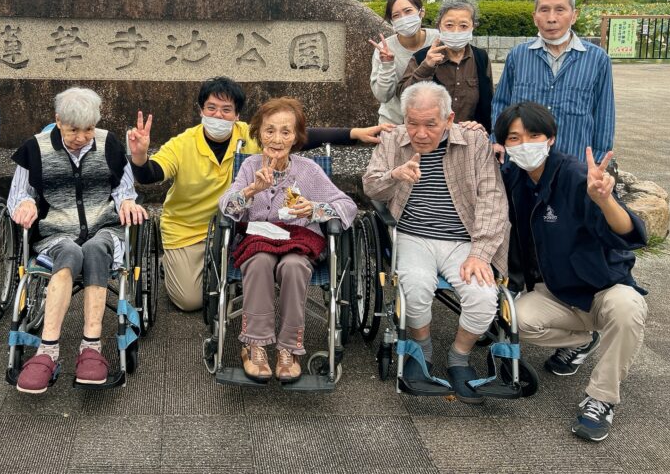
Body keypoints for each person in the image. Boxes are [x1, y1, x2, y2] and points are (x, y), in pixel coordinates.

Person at [127, 76, 392, 312]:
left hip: (238, 228)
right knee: (191, 301)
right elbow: (151, 174)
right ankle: (175, 267)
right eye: (211, 108)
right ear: (201, 111)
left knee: (265, 262)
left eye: (226, 110)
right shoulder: (184, 143)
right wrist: (139, 157)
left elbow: (296, 133)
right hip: (188, 228)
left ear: (237, 115)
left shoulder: (251, 137)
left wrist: (353, 133)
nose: (218, 116)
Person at [495, 101, 647, 442]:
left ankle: (601, 399)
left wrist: (605, 200)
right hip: (555, 292)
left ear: (551, 138)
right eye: (514, 138)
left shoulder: (577, 176)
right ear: (504, 144)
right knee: (510, 321)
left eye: (534, 135)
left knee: (628, 309)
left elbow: (628, 233)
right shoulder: (512, 178)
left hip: (602, 288)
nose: (525, 145)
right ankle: (583, 339)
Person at [362, 81, 509, 403]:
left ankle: (459, 357)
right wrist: (395, 175)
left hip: (464, 239)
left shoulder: (474, 141)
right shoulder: (392, 140)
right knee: (414, 288)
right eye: (412, 123)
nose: (421, 133)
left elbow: (492, 199)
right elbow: (371, 188)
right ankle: (422, 350)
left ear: (449, 118)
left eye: (430, 124)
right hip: (413, 236)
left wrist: (481, 253)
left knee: (484, 297)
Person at [7, 88, 148, 393]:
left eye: (88, 129)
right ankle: (47, 350)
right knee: (69, 250)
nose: (82, 137)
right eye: (73, 130)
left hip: (104, 229)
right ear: (58, 121)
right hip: (57, 235)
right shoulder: (35, 149)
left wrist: (126, 202)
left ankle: (91, 346)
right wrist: (25, 204)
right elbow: (17, 196)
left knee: (97, 248)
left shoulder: (108, 143)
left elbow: (124, 190)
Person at [219, 97, 358, 382]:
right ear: (258, 133)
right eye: (270, 130)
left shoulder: (308, 171)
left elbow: (347, 205)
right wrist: (250, 191)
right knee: (259, 263)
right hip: (257, 241)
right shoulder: (249, 167)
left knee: (293, 267)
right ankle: (254, 344)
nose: (277, 139)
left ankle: (288, 349)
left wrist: (316, 209)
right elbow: (226, 207)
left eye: (286, 131)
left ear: (296, 137)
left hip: (297, 243)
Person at [491, 0, 614, 162]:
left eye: (560, 10)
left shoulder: (597, 59)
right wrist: (497, 139)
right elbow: (501, 103)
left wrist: (598, 160)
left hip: (573, 161)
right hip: (522, 162)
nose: (551, 18)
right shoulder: (519, 56)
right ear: (535, 17)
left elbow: (604, 114)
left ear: (574, 15)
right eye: (544, 10)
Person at [400, 0, 493, 130]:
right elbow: (403, 95)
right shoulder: (422, 57)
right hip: (428, 137)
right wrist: (426, 66)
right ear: (439, 26)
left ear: (473, 26)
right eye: (449, 25)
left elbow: (489, 100)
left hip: (469, 137)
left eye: (463, 26)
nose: (456, 31)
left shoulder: (481, 58)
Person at [368, 0, 439, 125]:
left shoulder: (438, 40)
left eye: (408, 11)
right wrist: (387, 65)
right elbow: (383, 96)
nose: (403, 19)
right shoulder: (384, 49)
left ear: (421, 12)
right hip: (394, 124)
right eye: (396, 15)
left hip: (434, 126)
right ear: (392, 22)